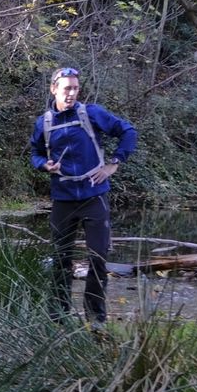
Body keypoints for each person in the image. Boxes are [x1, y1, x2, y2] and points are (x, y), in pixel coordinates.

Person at [29, 67, 138, 326]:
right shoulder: (43, 123)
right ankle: (57, 317)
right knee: (61, 258)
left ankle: (95, 319)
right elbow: (35, 153)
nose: (72, 93)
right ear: (53, 88)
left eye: (75, 88)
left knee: (98, 257)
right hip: (63, 199)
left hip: (94, 196)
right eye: (67, 88)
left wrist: (114, 163)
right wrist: (44, 165)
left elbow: (128, 131)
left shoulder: (91, 113)